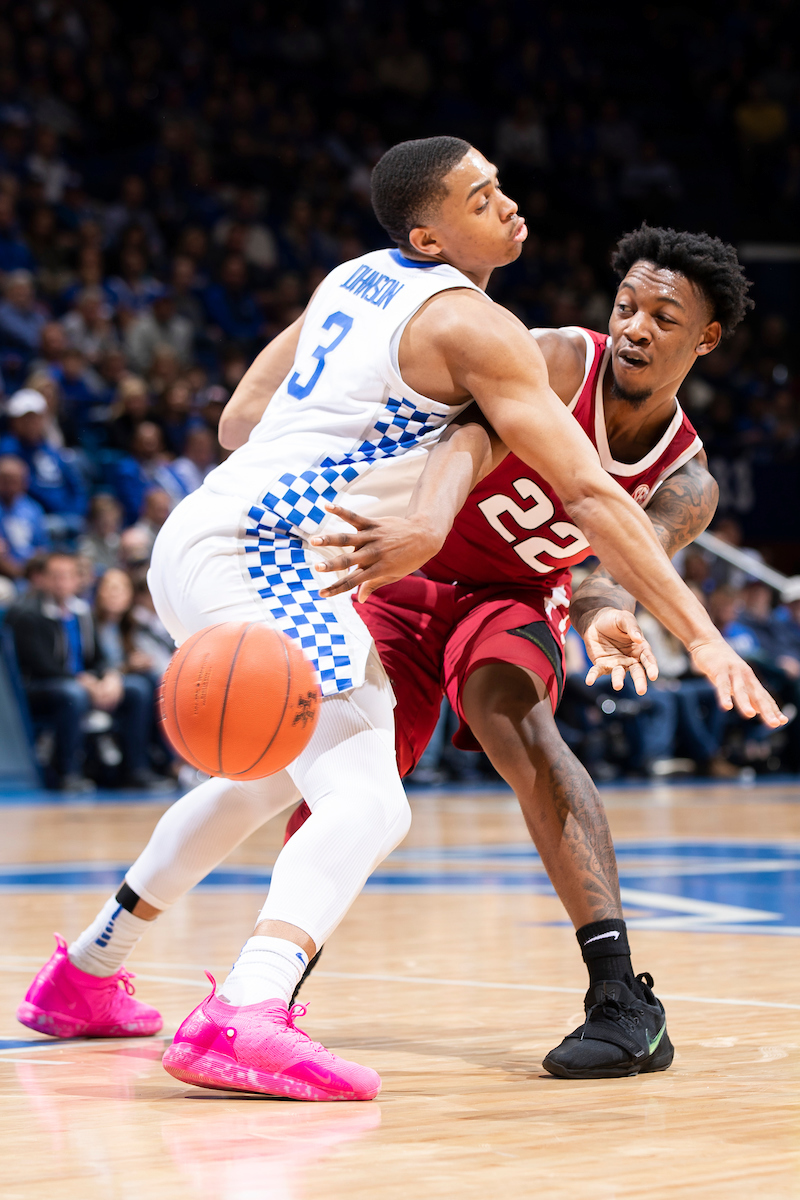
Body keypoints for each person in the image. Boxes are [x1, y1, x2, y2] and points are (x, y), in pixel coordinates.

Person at [18, 140, 782, 1101]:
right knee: (369, 799)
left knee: (272, 777)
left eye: (503, 187)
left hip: (255, 538)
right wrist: (703, 637)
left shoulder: (356, 275)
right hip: (320, 562)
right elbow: (585, 489)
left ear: (704, 339)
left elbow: (237, 422)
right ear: (432, 231)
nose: (509, 205)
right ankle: (248, 1012)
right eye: (483, 194)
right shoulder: (510, 337)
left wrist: (338, 459)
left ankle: (86, 972)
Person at [5, 552, 161, 793]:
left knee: (137, 689)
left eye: (69, 576)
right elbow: (41, 666)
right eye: (56, 576)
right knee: (73, 693)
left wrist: (110, 676)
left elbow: (97, 658)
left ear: (78, 580)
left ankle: (135, 770)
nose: (63, 582)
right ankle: (68, 773)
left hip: (82, 683)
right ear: (43, 579)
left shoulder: (81, 612)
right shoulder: (28, 614)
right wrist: (85, 682)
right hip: (41, 688)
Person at [0, 454, 49, 583]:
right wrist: (20, 574)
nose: (11, 485)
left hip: (31, 572)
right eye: (6, 480)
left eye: (16, 480)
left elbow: (41, 547)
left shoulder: (33, 509)